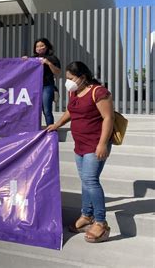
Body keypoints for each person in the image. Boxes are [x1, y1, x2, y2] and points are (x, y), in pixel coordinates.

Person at [47, 61, 114, 243]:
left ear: (82, 77)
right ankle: (86, 216)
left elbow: (108, 118)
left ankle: (101, 222)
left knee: (91, 181)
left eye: (70, 78)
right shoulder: (74, 91)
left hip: (95, 144)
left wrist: (102, 144)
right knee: (85, 181)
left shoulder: (98, 92)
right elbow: (71, 111)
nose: (68, 82)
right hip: (80, 145)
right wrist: (57, 124)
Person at [23, 38, 61, 125]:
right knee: (33, 110)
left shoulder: (52, 58)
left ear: (47, 47)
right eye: (37, 46)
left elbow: (58, 72)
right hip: (34, 87)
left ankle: (50, 131)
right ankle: (34, 130)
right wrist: (24, 60)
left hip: (47, 86)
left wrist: (48, 63)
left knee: (47, 110)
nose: (39, 48)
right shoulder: (32, 58)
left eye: (42, 46)